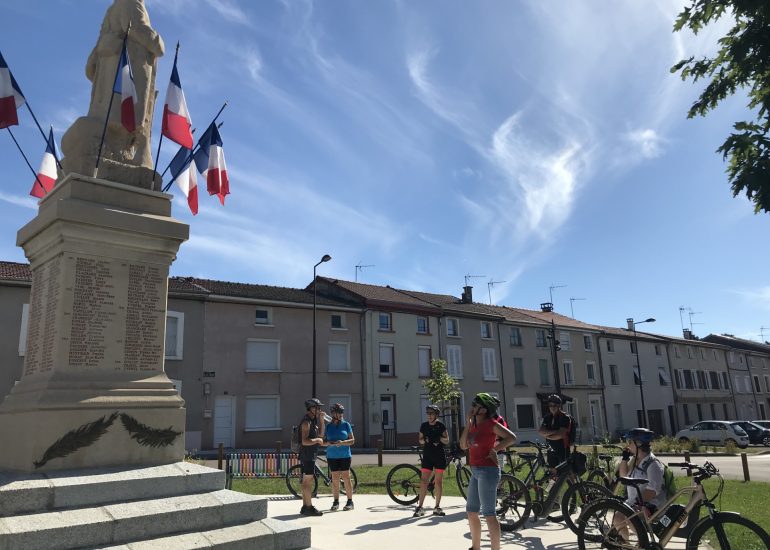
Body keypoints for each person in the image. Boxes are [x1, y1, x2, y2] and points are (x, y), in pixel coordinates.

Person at [460, 393, 516, 550]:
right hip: (476, 471)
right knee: (471, 511)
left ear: (483, 409)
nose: (472, 407)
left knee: (489, 514)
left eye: (475, 404)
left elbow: (511, 437)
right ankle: (475, 547)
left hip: (488, 471)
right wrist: (467, 423)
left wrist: (495, 449)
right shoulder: (473, 425)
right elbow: (463, 445)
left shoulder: (491, 423)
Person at [613, 427, 666, 537]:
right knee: (618, 518)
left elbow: (652, 491)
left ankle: (643, 544)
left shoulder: (653, 464)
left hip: (650, 505)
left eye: (630, 442)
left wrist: (635, 504)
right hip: (634, 503)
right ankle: (627, 545)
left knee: (630, 519)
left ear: (638, 444)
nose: (628, 445)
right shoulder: (635, 460)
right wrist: (624, 459)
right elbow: (623, 477)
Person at [413, 404, 450, 517]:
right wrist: (425, 440)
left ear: (436, 415)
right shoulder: (424, 426)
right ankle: (420, 507)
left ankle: (437, 507)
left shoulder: (441, 425)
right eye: (427, 413)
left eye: (431, 413)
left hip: (439, 456)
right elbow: (420, 440)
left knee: (438, 482)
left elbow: (447, 440)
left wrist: (438, 438)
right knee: (424, 481)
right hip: (428, 455)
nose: (429, 415)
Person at [323, 403, 355, 511]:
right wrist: (329, 443)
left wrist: (342, 442)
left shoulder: (346, 425)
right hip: (332, 456)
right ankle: (336, 502)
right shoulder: (328, 426)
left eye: (342, 412)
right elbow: (323, 441)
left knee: (346, 477)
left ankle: (350, 501)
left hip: (345, 455)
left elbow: (352, 440)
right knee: (335, 479)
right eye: (339, 412)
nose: (341, 414)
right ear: (333, 413)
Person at [299, 397, 326, 516]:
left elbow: (321, 434)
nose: (320, 410)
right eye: (318, 408)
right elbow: (304, 441)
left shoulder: (313, 421)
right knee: (307, 482)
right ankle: (308, 507)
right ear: (311, 408)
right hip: (307, 455)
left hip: (310, 455)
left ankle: (305, 506)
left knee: (306, 481)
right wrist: (316, 440)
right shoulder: (306, 422)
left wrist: (321, 420)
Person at [537, 394, 572, 472]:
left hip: (563, 449)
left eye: (555, 405)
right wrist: (556, 432)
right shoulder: (547, 417)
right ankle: (553, 484)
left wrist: (548, 435)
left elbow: (561, 435)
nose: (552, 407)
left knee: (567, 473)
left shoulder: (565, 417)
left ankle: (576, 484)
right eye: (550, 405)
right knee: (553, 472)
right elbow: (541, 431)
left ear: (559, 405)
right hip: (551, 448)